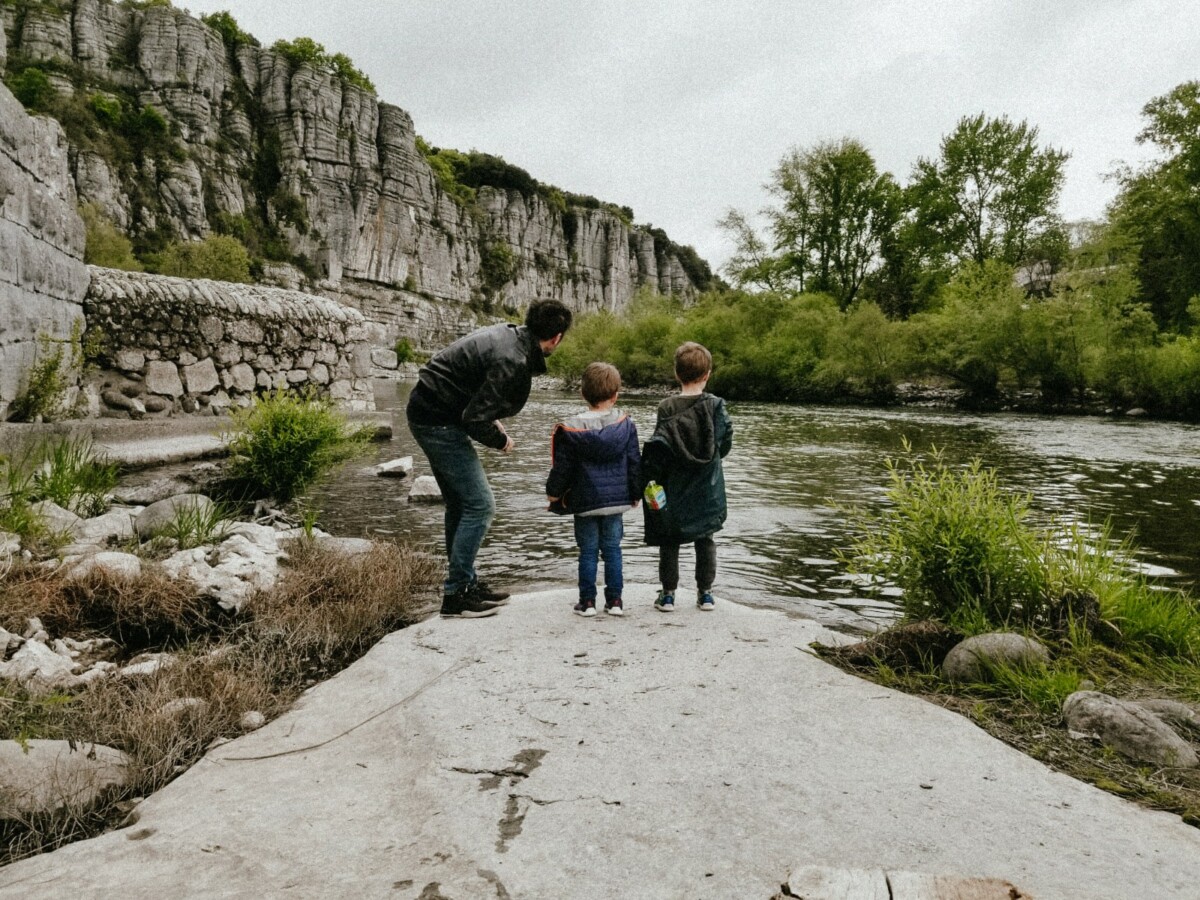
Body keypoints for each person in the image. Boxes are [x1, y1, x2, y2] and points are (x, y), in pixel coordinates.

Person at [406, 299, 573, 618]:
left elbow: (472, 386)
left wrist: (490, 419)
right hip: (437, 421)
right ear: (556, 338)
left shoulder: (510, 335)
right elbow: (474, 420)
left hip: (430, 409)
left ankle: (465, 583)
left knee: (460, 504)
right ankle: (456, 596)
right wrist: (502, 440)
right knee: (481, 505)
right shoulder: (513, 358)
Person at [640, 342, 733, 612]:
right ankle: (705, 594)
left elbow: (660, 448)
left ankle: (668, 595)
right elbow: (724, 443)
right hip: (708, 487)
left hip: (675, 485)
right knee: (706, 538)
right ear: (707, 374)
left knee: (670, 540)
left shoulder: (666, 407)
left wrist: (647, 480)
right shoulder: (716, 405)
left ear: (676, 373)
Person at [546, 362, 641, 617]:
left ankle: (587, 602)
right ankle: (616, 601)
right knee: (613, 550)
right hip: (616, 501)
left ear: (582, 394)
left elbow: (562, 468)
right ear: (616, 395)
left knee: (587, 551)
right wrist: (635, 494)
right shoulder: (626, 425)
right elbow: (634, 463)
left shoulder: (571, 429)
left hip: (585, 501)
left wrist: (553, 493)